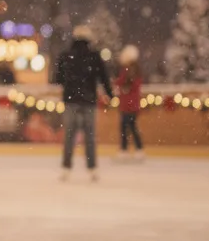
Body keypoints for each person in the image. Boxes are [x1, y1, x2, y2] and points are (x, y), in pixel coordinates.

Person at [55, 26, 113, 181]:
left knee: (69, 136)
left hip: (71, 101)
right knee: (90, 136)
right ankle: (92, 168)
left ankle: (66, 168)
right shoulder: (94, 56)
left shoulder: (66, 55)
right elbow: (104, 77)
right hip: (89, 101)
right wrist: (110, 95)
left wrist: (70, 84)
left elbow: (58, 78)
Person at [114, 44, 144, 161]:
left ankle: (126, 149)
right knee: (130, 127)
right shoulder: (134, 70)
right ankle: (135, 149)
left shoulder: (130, 70)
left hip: (128, 105)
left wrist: (120, 84)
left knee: (126, 128)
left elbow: (123, 83)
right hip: (130, 104)